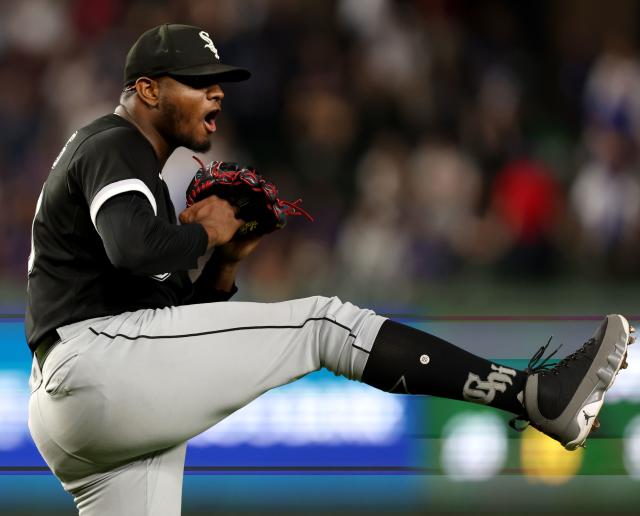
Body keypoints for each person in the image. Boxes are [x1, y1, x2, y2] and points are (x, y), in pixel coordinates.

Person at [25, 24, 633, 516]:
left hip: (91, 406)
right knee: (323, 326)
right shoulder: (113, 141)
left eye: (220, 83)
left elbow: (175, 334)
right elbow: (133, 247)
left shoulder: (145, 183)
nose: (216, 93)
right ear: (148, 90)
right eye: (198, 81)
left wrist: (225, 259)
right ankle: (534, 393)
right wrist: (204, 230)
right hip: (93, 366)